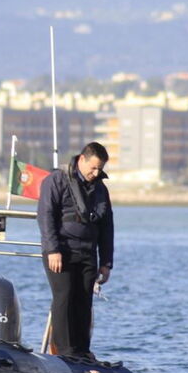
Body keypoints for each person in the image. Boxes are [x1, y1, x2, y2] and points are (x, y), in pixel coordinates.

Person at [37, 142, 114, 358]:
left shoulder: (100, 189)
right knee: (64, 297)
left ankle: (81, 350)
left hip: (87, 252)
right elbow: (46, 216)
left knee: (83, 299)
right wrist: (53, 249)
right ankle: (64, 350)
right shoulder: (56, 181)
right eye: (93, 168)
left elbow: (107, 227)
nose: (96, 173)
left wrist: (106, 262)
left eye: (100, 169)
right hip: (61, 252)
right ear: (82, 159)